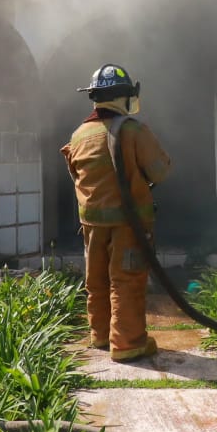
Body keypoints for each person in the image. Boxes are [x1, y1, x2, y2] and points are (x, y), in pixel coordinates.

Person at [61, 63, 172, 362]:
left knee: (96, 279)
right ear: (124, 98)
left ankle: (100, 335)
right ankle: (127, 343)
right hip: (129, 224)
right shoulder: (134, 131)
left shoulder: (79, 135)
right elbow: (159, 172)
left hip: (92, 225)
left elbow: (75, 173)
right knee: (127, 279)